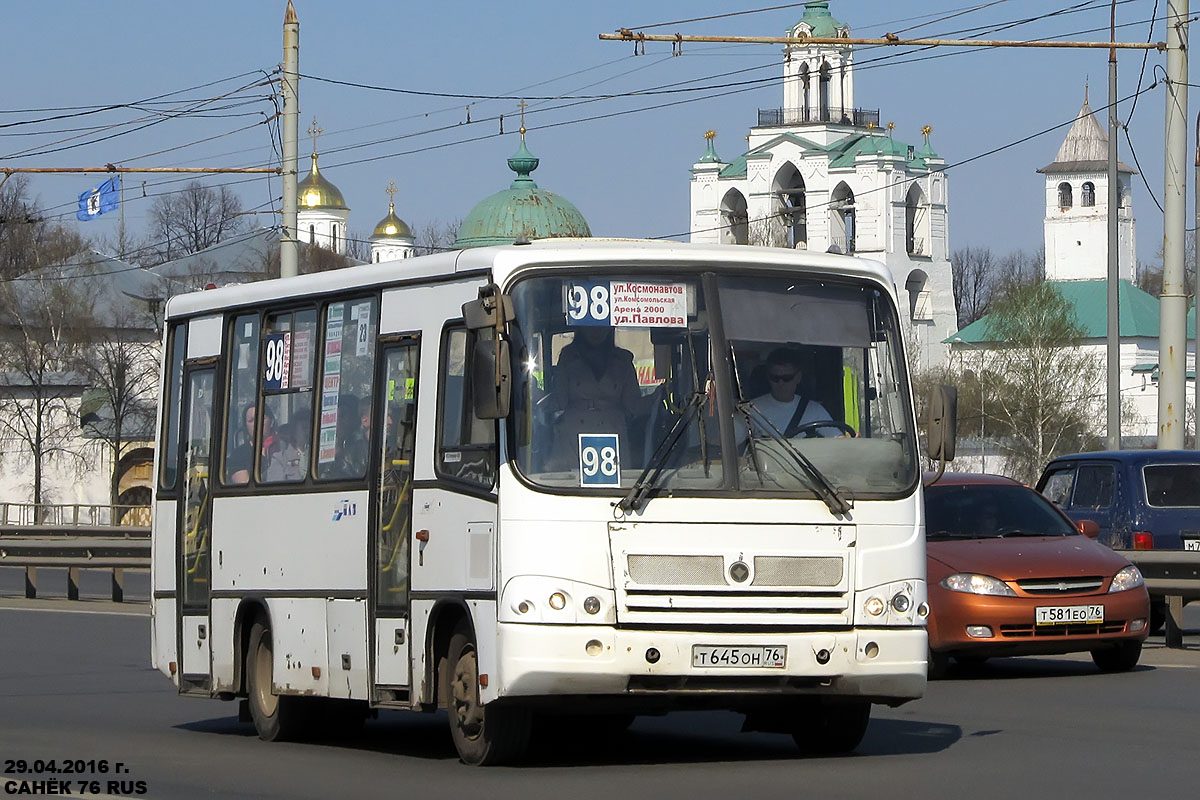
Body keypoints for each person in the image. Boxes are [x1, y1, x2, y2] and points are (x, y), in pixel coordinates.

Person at [551, 327, 659, 467]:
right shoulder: (568, 357)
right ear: (580, 328)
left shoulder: (623, 360)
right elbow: (560, 400)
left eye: (603, 326)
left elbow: (634, 405)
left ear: (610, 329)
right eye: (591, 326)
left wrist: (657, 396)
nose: (596, 331)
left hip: (612, 433)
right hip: (574, 435)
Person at [745, 348, 842, 440]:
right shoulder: (751, 410)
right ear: (767, 377)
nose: (781, 383)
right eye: (775, 378)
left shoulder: (814, 410)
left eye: (787, 378)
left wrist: (849, 440)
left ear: (798, 377)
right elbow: (731, 443)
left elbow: (836, 438)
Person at [228, 402, 274, 484]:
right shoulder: (238, 455)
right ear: (246, 426)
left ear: (271, 422)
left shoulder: (284, 448)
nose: (256, 423)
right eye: (251, 420)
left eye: (261, 418)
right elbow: (243, 486)